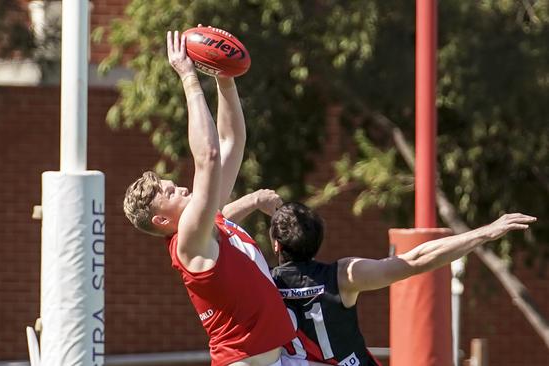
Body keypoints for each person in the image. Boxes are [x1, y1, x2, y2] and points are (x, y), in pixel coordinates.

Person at [122, 29, 296, 366]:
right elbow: (210, 157)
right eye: (171, 193)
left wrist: (225, 79)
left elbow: (231, 142)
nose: (182, 188)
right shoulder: (188, 238)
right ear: (161, 220)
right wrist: (188, 77)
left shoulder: (208, 221)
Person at [267, 202, 536, 366]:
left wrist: (251, 201)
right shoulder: (343, 275)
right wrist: (484, 232)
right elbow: (419, 259)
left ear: (276, 244)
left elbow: (223, 239)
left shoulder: (262, 281)